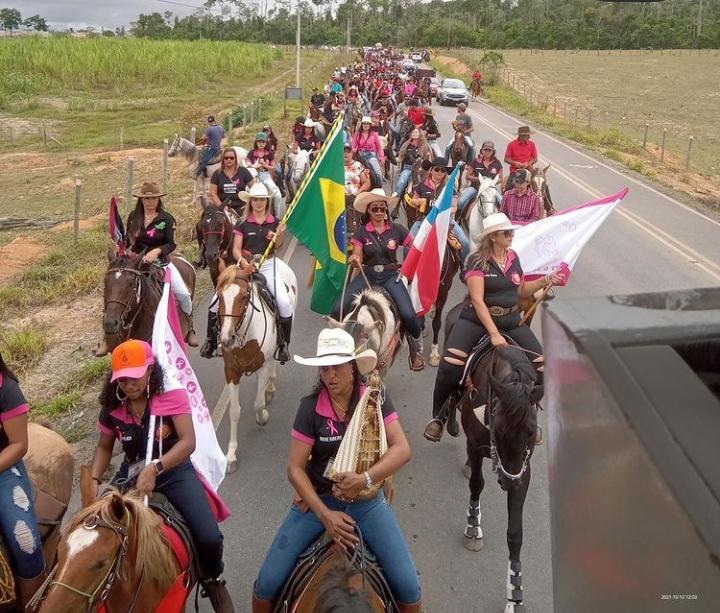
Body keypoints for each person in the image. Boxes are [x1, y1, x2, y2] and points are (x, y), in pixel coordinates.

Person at [252, 328, 422, 613]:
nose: (330, 376)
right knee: (266, 584)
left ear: (353, 367)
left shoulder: (374, 399)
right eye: (324, 369)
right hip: (321, 502)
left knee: (408, 587)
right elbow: (294, 468)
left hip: (367, 505)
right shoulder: (309, 408)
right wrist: (325, 515)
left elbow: (402, 449)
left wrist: (365, 479)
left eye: (337, 368)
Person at [90, 340, 233, 612]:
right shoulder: (112, 407)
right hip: (131, 471)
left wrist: (155, 468)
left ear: (150, 371)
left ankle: (213, 580)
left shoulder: (171, 396)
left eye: (134, 377)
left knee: (209, 536)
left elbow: (188, 442)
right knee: (96, 527)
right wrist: (95, 479)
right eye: (122, 380)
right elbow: (104, 447)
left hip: (172, 469)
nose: (128, 385)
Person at [423, 213, 563, 442]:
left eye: (511, 231)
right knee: (450, 364)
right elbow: (477, 300)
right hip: (476, 321)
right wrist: (494, 334)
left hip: (511, 320)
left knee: (542, 368)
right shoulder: (476, 261)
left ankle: (526, 414)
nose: (511, 235)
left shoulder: (513, 257)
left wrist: (546, 280)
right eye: (505, 232)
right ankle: (438, 415)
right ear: (493, 237)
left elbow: (521, 291)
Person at [334, 189, 424, 371]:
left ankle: (415, 348)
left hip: (391, 276)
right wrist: (355, 258)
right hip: (367, 275)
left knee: (408, 314)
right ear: (369, 211)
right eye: (375, 209)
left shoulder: (397, 229)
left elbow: (414, 247)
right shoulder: (361, 233)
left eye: (382, 208)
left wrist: (411, 263)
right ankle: (339, 347)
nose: (379, 212)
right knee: (338, 309)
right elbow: (358, 253)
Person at [125, 181, 198, 346]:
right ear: (141, 200)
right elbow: (126, 239)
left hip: (160, 264)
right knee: (117, 292)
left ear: (158, 199)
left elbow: (171, 244)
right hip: (136, 264)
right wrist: (124, 248)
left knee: (183, 294)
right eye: (146, 199)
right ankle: (110, 337)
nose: (150, 202)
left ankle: (190, 326)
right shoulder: (133, 218)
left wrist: (156, 251)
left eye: (153, 198)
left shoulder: (166, 219)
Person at [0, 351, 46, 610]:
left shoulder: (6, 389)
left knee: (25, 542)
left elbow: (18, 445)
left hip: (3, 469)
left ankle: (36, 604)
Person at [231, 183, 293, 362]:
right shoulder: (242, 223)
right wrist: (244, 264)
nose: (259, 203)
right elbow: (236, 249)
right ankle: (212, 340)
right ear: (250, 202)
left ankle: (283, 344)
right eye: (255, 200)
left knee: (283, 302)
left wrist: (280, 234)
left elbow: (279, 248)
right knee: (216, 300)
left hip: (267, 265)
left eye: (262, 200)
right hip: (245, 265)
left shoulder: (274, 222)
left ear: (267, 202)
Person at [408, 157, 470, 263]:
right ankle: (405, 272)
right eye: (437, 169)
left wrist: (444, 211)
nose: (439, 173)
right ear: (431, 170)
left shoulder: (449, 188)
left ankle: (464, 266)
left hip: (445, 220)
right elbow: (413, 200)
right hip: (425, 219)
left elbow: (454, 207)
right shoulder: (422, 185)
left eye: (443, 170)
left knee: (465, 242)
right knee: (409, 242)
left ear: (445, 173)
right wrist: (418, 201)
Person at [457, 140, 504, 214]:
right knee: (460, 202)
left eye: (489, 150)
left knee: (502, 202)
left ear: (493, 152)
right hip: (475, 188)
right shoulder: (475, 161)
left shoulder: (497, 163)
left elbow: (501, 178)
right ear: (482, 151)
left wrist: (489, 182)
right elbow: (468, 176)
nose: (487, 152)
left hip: (490, 189)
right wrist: (479, 179)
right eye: (485, 150)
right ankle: (458, 220)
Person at [391, 128, 432, 208]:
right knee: (400, 183)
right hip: (408, 168)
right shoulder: (406, 144)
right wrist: (392, 159)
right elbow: (400, 158)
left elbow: (428, 160)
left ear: (420, 134)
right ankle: (395, 203)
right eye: (413, 132)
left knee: (417, 187)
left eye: (416, 132)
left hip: (419, 171)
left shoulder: (425, 146)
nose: (414, 133)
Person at [247, 132, 283, 218]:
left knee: (277, 195)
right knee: (246, 193)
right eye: (259, 141)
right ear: (256, 142)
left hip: (265, 175)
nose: (261, 143)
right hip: (253, 176)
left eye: (263, 142)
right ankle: (247, 216)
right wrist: (255, 166)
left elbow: (273, 167)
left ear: (266, 143)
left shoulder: (269, 153)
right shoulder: (251, 153)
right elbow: (247, 164)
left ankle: (277, 217)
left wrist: (265, 165)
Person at [209, 147, 255, 215]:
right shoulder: (217, 173)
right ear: (223, 159)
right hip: (221, 207)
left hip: (241, 207)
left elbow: (254, 187)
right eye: (226, 158)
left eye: (231, 158)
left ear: (235, 159)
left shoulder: (243, 171)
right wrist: (222, 207)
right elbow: (213, 193)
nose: (229, 159)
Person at [351, 117, 385, 188]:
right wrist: (354, 150)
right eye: (364, 124)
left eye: (367, 124)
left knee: (377, 171)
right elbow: (353, 145)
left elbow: (379, 147)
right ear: (362, 125)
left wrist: (381, 157)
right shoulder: (357, 134)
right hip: (360, 154)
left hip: (371, 154)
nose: (366, 125)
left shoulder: (374, 134)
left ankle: (378, 186)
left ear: (370, 125)